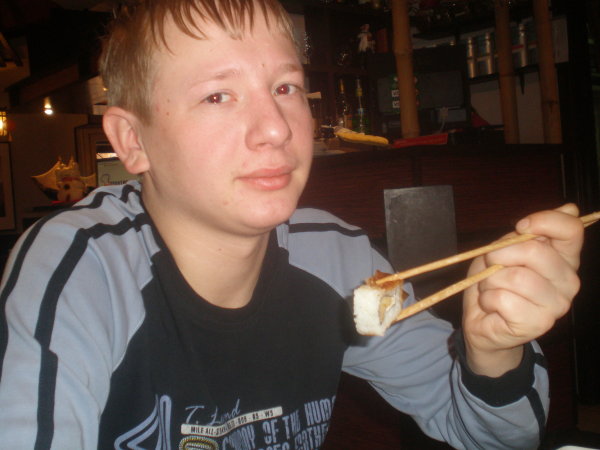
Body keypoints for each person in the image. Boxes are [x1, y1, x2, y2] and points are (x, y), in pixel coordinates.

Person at [0, 0, 584, 448]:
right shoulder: (80, 271)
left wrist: (493, 352)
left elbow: (489, 434)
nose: (276, 128)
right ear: (132, 140)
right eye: (218, 96)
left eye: (286, 88)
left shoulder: (336, 258)